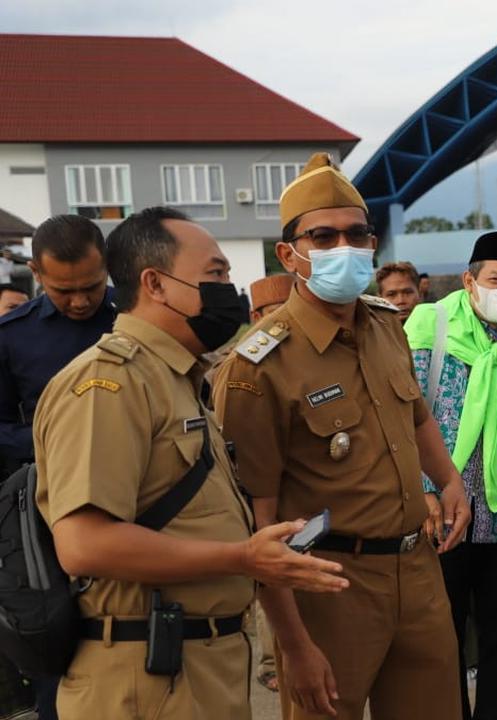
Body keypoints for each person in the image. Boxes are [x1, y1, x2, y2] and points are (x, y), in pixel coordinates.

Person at [33, 206, 349, 720]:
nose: (229, 288)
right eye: (216, 275)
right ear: (156, 284)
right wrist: (242, 559)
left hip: (197, 665)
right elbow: (84, 544)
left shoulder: (177, 379)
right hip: (146, 675)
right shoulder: (108, 384)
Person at [213, 153, 468, 720]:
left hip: (417, 567)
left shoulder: (384, 325)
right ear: (289, 254)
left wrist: (449, 480)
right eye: (322, 236)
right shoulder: (259, 364)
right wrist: (294, 647)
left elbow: (418, 416)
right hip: (327, 583)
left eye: (356, 234)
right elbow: (261, 525)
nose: (343, 248)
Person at [403, 230, 497, 720]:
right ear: (470, 280)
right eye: (496, 279)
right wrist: (423, 492)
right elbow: (405, 418)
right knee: (444, 636)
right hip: (440, 513)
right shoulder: (429, 328)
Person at [0, 216, 116, 477]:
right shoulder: (11, 335)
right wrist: (56, 439)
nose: (80, 302)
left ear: (106, 266)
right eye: (63, 291)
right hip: (60, 480)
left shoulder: (138, 314)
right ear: (35, 272)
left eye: (91, 287)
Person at [241, 272, 295, 695]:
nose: (280, 323)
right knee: (273, 584)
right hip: (264, 498)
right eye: (271, 315)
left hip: (307, 500)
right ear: (254, 315)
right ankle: (270, 662)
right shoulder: (244, 365)